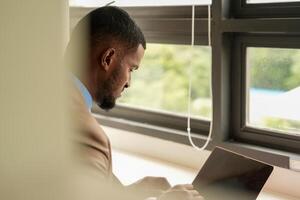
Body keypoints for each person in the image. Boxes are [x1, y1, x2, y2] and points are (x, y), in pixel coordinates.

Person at [66, 6, 204, 200]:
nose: (129, 82)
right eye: (131, 69)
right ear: (107, 58)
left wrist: (127, 193)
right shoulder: (87, 134)